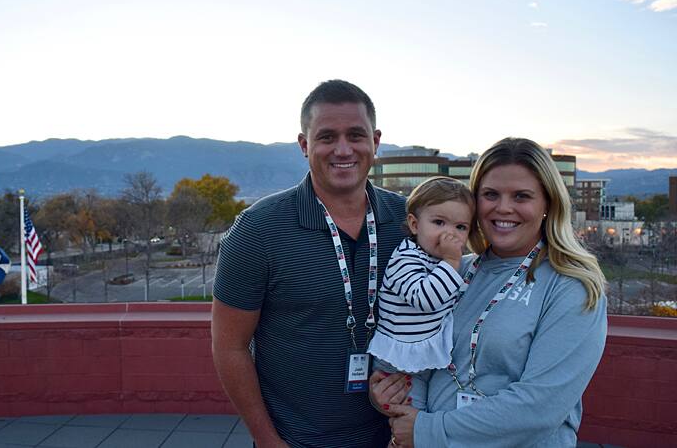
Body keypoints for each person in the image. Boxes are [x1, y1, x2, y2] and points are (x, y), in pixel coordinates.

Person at [371, 137, 608, 447]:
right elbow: (417, 348)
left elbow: (538, 408)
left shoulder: (572, 285)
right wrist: (388, 390)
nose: (503, 208)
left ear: (547, 203)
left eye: (521, 196)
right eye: (490, 195)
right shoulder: (453, 272)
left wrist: (427, 430)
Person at [212, 79, 408, 447]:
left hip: (395, 438)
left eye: (355, 135)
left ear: (375, 141)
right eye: (327, 137)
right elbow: (229, 347)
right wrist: (269, 442)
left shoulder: (410, 223)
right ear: (304, 145)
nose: (343, 149)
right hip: (297, 440)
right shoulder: (257, 230)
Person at [367, 177, 475, 407]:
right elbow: (425, 299)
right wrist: (452, 260)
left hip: (427, 354)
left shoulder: (436, 260)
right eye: (439, 222)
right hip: (401, 361)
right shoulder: (405, 258)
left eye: (460, 227)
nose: (450, 234)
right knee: (411, 417)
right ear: (415, 225)